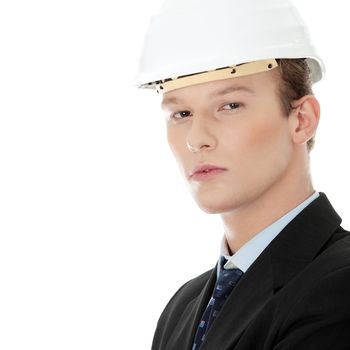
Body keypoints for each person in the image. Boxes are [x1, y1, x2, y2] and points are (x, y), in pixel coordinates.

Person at [134, 0, 350, 348]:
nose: (197, 139)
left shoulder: (340, 287)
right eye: (181, 113)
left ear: (301, 120)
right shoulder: (182, 309)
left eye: (230, 106)